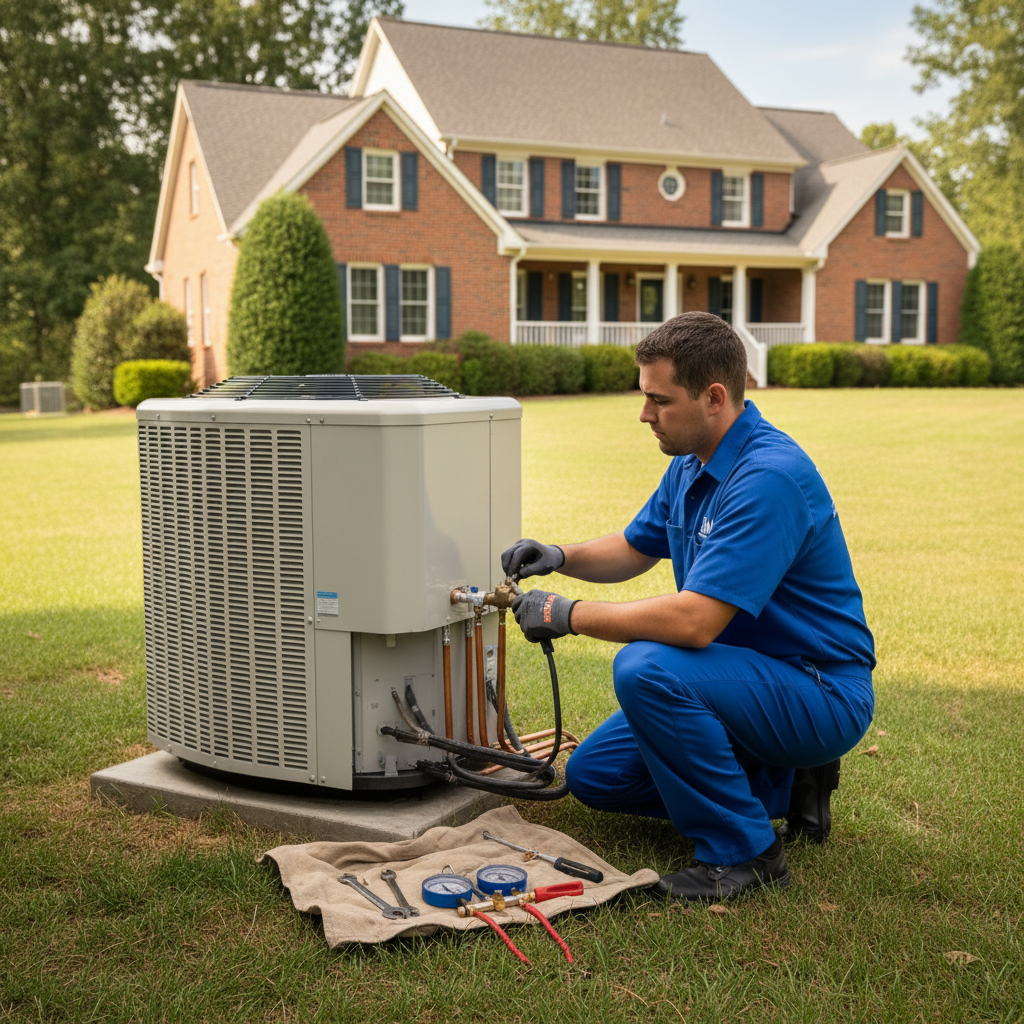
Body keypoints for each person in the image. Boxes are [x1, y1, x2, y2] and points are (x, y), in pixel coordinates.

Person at [503, 312, 875, 902]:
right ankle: (789, 780)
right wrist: (556, 554)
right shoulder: (692, 461)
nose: (645, 414)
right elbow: (633, 547)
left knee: (646, 667)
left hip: (819, 689)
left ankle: (748, 851)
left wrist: (566, 614)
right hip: (741, 679)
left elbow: (695, 623)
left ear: (714, 397)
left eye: (659, 400)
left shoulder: (767, 478)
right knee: (595, 776)